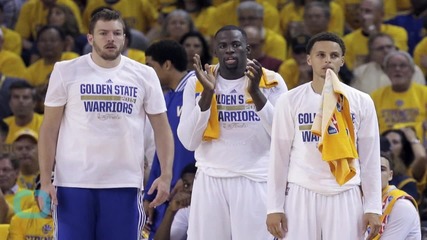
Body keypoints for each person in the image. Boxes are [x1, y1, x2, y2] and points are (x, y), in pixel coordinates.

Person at [37, 9, 174, 240]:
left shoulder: (144, 74)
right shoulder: (65, 71)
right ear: (90, 37)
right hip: (73, 184)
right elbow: (49, 130)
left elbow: (162, 129)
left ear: (124, 38)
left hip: (124, 183)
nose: (111, 39)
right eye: (103, 33)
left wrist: (167, 175)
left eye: (116, 33)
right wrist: (44, 179)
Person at [266, 32, 382, 240]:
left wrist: (373, 207)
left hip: (345, 192)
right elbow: (278, 157)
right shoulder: (289, 100)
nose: (327, 60)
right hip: (301, 191)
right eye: (320, 55)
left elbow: (370, 157)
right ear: (309, 59)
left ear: (342, 61)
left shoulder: (361, 101)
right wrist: (274, 207)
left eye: (334, 55)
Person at [177, 25, 287, 239]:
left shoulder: (271, 81)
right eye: (223, 46)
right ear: (215, 51)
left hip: (254, 179)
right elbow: (189, 142)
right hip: (210, 179)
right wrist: (207, 94)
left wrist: (255, 92)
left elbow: (282, 136)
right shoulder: (196, 82)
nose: (229, 50)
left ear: (248, 49)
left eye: (236, 45)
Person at [144, 40, 196, 239]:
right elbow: (161, 152)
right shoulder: (166, 98)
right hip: (166, 192)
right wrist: (149, 195)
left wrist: (191, 180)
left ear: (167, 65)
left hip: (192, 189)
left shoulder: (200, 90)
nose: (147, 72)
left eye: (150, 66)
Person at [374, 152, 421, 239]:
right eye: (370, 168)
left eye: (381, 169)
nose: (376, 173)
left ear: (390, 175)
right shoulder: (359, 201)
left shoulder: (401, 205)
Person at [154, 162, 197, 240]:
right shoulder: (186, 209)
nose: (190, 190)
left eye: (195, 185)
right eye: (186, 185)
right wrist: (170, 211)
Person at [7, 174, 54, 239]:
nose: (49, 196)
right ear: (35, 196)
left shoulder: (71, 220)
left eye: (55, 191)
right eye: (44, 192)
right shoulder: (19, 219)